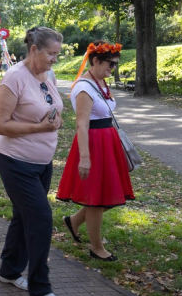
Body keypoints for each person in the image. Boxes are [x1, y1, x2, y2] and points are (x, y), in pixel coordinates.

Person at [0, 26, 66, 296]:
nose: (54, 60)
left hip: (42, 163)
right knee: (41, 218)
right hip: (15, 160)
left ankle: (9, 270)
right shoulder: (14, 78)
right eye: (51, 54)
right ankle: (40, 288)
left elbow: (52, 107)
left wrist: (55, 119)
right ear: (34, 50)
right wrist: (38, 127)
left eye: (57, 54)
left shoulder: (48, 76)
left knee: (24, 217)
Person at [56, 40, 135, 262]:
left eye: (115, 64)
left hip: (107, 143)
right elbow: (82, 125)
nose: (113, 68)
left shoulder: (99, 83)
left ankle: (73, 222)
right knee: (96, 200)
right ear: (95, 61)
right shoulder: (84, 87)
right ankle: (96, 247)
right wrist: (85, 158)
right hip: (93, 144)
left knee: (106, 195)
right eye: (111, 64)